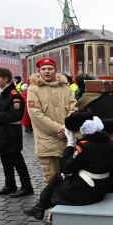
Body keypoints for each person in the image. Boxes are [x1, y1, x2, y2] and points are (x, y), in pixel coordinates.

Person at [23, 111, 113, 219]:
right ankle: (39, 208)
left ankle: (41, 208)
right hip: (102, 187)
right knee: (60, 177)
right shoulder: (109, 142)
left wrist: (70, 144)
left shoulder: (85, 146)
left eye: (73, 132)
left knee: (58, 181)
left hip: (89, 191)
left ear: (80, 131)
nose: (74, 135)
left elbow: (65, 167)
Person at [0, 67, 33, 197]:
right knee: (5, 159)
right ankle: (10, 185)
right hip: (3, 131)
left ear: (6, 79)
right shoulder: (3, 92)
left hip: (11, 131)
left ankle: (27, 186)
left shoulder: (15, 95)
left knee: (17, 160)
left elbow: (16, 116)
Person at [27, 57, 77, 186]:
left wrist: (65, 129)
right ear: (39, 71)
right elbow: (36, 115)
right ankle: (49, 204)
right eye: (43, 69)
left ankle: (64, 203)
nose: (47, 71)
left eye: (50, 68)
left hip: (67, 140)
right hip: (46, 141)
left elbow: (73, 110)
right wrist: (60, 130)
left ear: (56, 70)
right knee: (50, 177)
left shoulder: (66, 89)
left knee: (69, 175)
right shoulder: (33, 89)